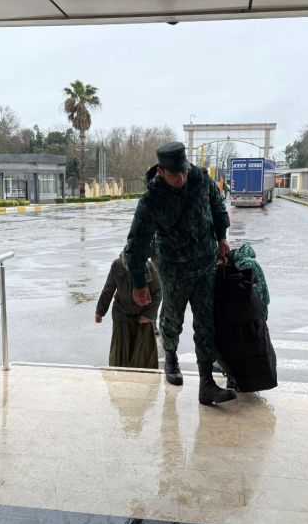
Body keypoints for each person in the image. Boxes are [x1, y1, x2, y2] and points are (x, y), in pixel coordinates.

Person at [124, 142, 236, 405]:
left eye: (184, 171)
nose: (182, 178)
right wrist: (139, 283)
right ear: (161, 171)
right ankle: (171, 358)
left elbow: (217, 205)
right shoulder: (152, 200)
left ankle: (206, 384)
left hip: (205, 263)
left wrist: (222, 236)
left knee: (206, 322)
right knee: (173, 318)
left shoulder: (200, 179)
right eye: (175, 174)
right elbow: (136, 244)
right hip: (174, 268)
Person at [95, 251, 161, 369]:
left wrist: (147, 315)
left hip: (142, 319)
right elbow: (108, 290)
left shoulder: (148, 266)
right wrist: (100, 311)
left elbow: (157, 293)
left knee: (143, 359)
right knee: (119, 359)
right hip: (121, 317)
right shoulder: (117, 265)